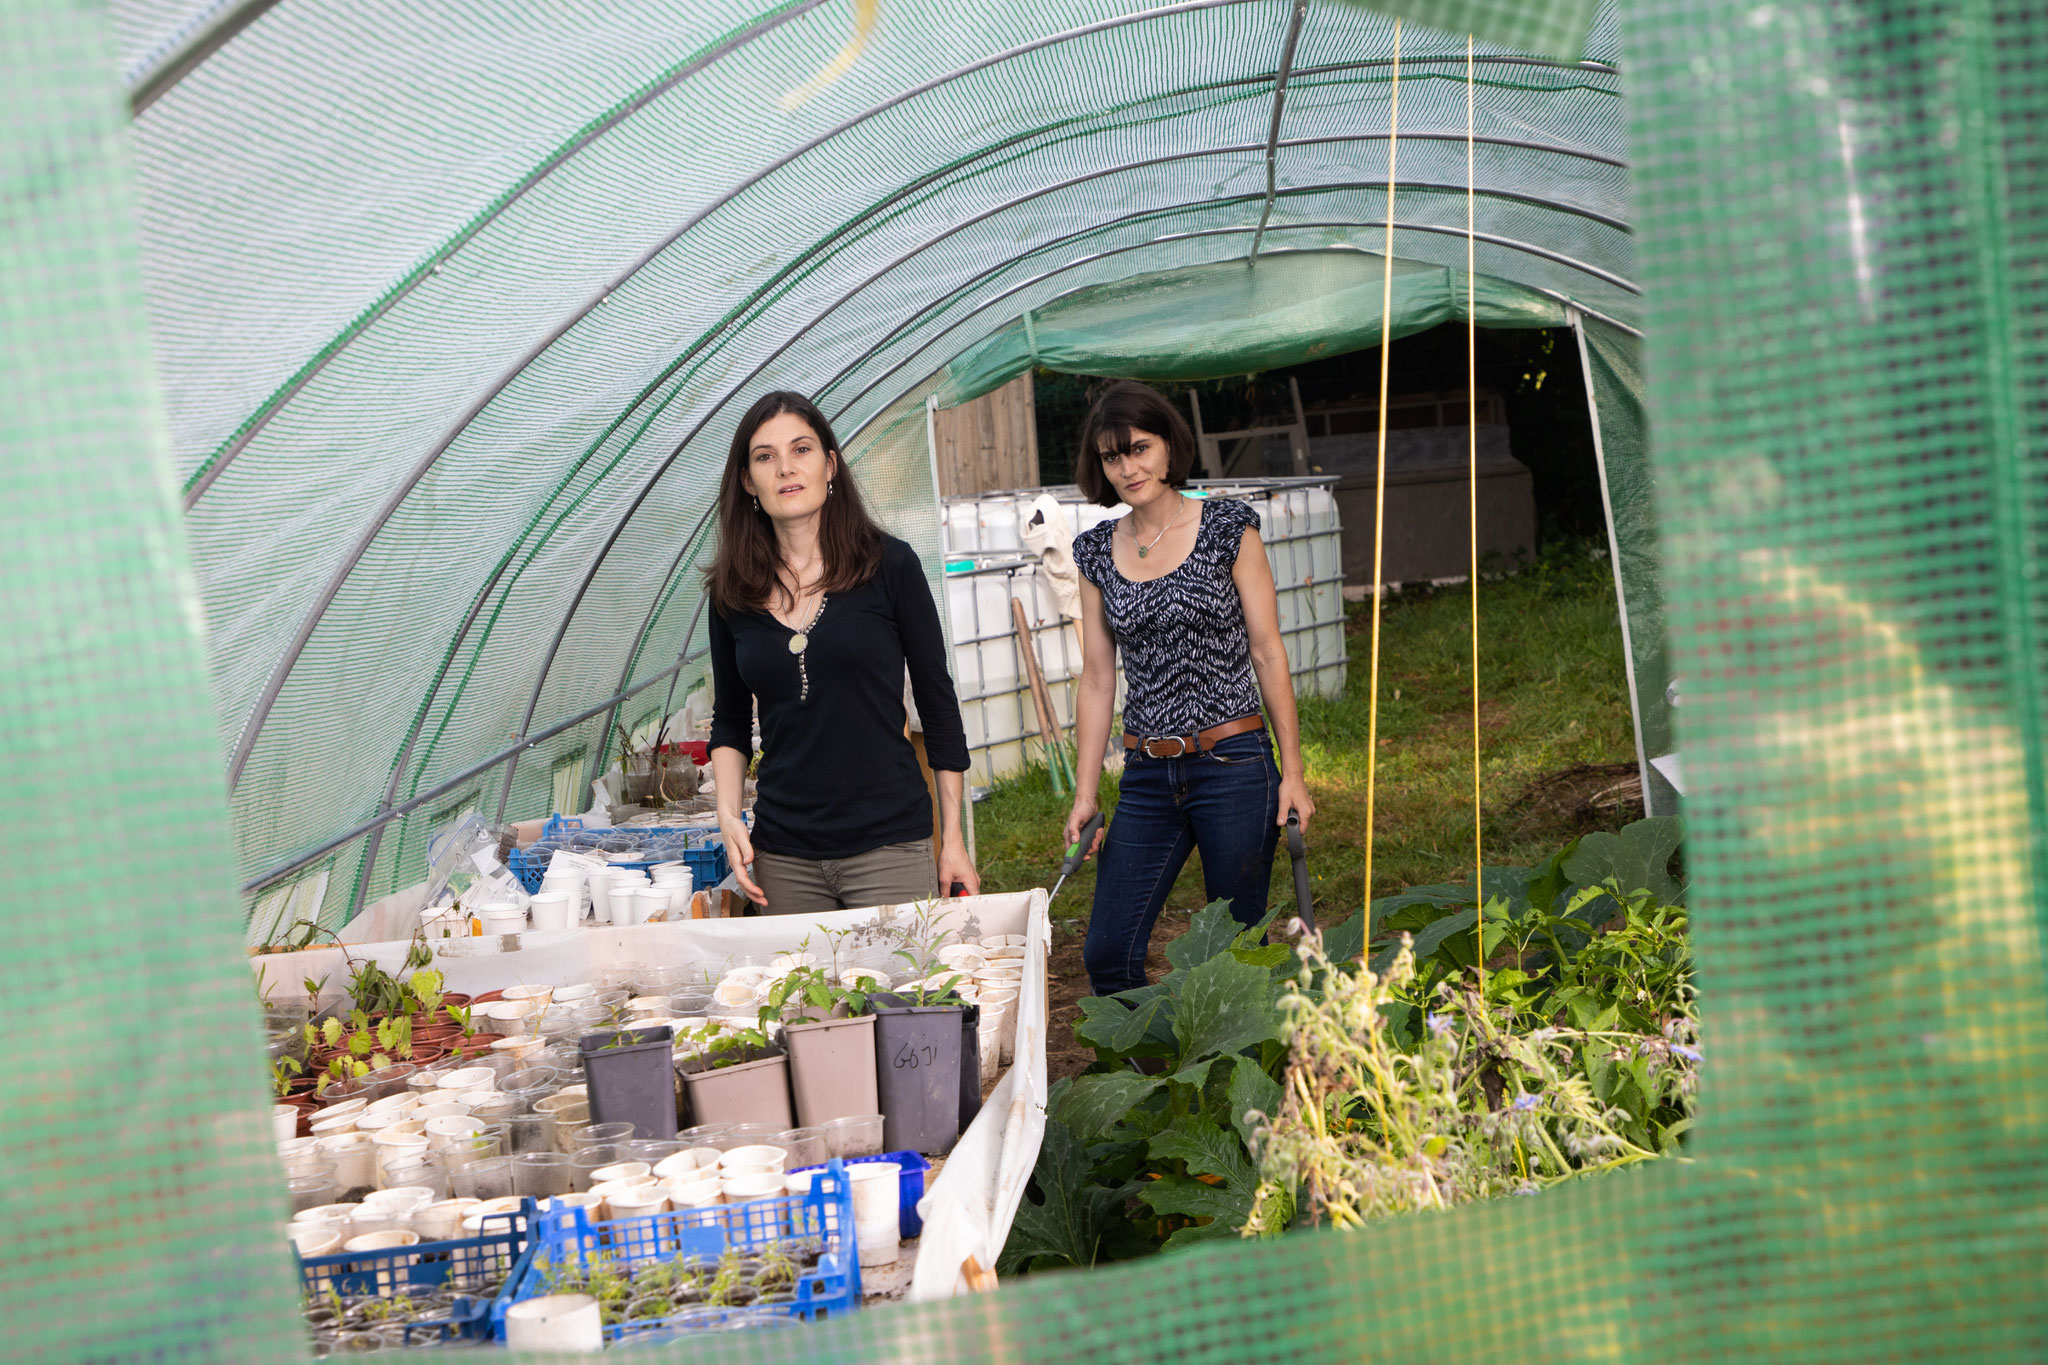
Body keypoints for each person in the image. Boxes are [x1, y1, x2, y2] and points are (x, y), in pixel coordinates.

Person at [1063, 381, 1314, 996]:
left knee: (1232, 952)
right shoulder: (1096, 551)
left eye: (1139, 448)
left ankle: (1234, 1079)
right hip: (1148, 774)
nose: (1128, 467)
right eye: (1112, 456)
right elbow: (1098, 679)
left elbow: (1267, 649)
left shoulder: (1228, 526)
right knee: (1107, 953)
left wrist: (1294, 771)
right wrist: (1086, 792)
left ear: (1169, 447)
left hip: (1233, 764)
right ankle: (1150, 1084)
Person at [706, 391, 979, 913]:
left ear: (830, 465)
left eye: (801, 449)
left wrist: (954, 841)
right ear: (747, 482)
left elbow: (938, 707)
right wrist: (728, 814)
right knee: (802, 997)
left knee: (895, 995)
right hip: (783, 855)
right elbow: (731, 721)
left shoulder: (890, 566)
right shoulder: (732, 592)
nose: (786, 467)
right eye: (765, 456)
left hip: (889, 845)